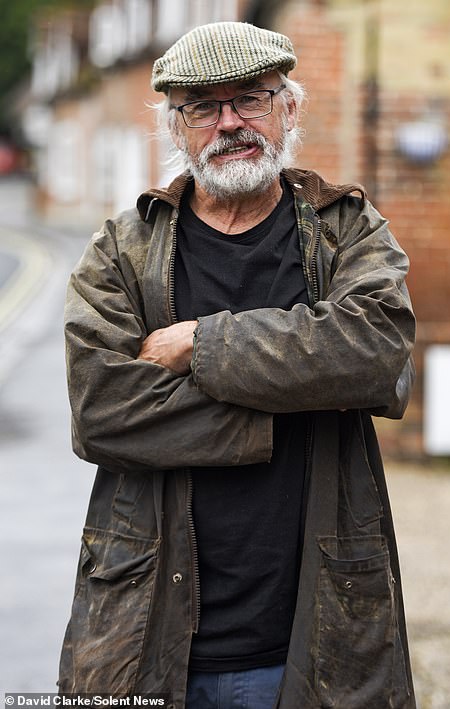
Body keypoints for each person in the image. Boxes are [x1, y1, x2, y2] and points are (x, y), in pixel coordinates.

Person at [58, 21, 416, 709]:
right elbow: (101, 410)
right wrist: (294, 398)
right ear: (176, 127)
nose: (229, 123)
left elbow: (375, 352)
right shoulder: (122, 250)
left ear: (289, 107)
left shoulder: (347, 230)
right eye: (203, 106)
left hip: (314, 635)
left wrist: (203, 344)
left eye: (251, 98)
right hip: (142, 629)